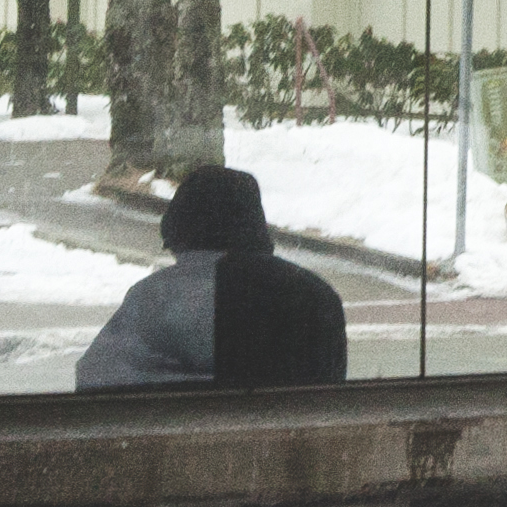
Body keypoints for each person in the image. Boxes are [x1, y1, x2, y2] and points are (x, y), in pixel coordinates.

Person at [75, 166, 348, 392]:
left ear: (178, 232)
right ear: (257, 226)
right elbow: (328, 394)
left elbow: (96, 383)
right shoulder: (314, 295)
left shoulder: (156, 297)